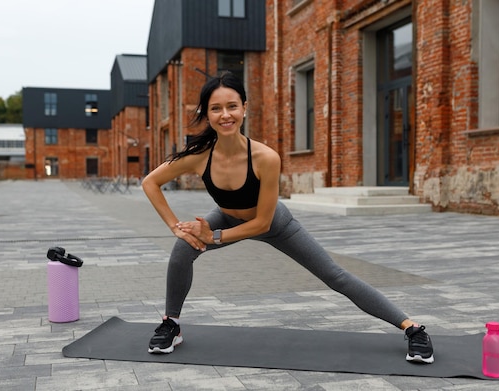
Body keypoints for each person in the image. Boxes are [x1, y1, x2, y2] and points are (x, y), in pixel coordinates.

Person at [141, 71, 434, 363]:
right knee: (182, 249)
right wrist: (176, 227)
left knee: (335, 276)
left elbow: (262, 224)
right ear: (206, 113)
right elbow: (150, 182)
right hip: (227, 218)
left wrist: (212, 237)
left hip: (274, 224)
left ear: (245, 107)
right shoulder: (199, 155)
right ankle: (172, 324)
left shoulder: (265, 157)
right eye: (216, 108)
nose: (225, 115)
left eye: (232, 106)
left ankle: (413, 329)